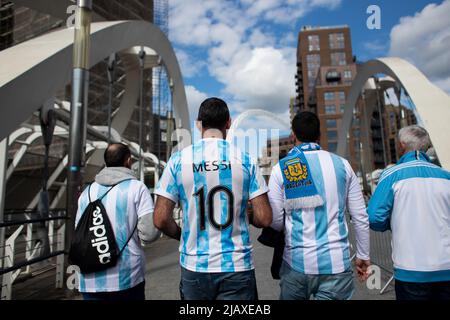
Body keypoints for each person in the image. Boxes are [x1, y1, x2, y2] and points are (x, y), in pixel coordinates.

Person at [153, 97, 272, 300]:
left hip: (194, 265)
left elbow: (160, 219)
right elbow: (264, 218)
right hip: (237, 265)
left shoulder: (178, 161)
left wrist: (183, 235)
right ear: (229, 123)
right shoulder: (245, 160)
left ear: (199, 124)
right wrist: (243, 210)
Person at [268, 111, 370, 300]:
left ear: (293, 135)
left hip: (296, 262)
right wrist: (363, 254)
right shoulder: (343, 164)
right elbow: (360, 216)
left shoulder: (281, 168)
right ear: (319, 135)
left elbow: (276, 221)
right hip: (337, 263)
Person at [368, 125, 450, 300]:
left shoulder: (392, 175)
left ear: (401, 146)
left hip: (411, 269)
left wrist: (396, 223)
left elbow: (374, 217)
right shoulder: (445, 175)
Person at [75, 143, 160, 300]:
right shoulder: (137, 188)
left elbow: (79, 232)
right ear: (128, 161)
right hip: (127, 277)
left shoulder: (87, 192)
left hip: (90, 278)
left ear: (106, 162)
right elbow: (149, 234)